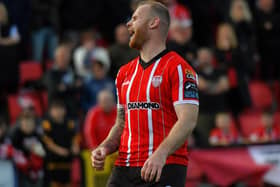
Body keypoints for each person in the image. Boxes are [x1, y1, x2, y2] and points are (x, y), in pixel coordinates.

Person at [91, 1, 199, 186]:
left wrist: (161, 154)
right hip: (124, 167)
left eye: (135, 18)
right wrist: (105, 146)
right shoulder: (123, 73)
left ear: (153, 23)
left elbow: (188, 120)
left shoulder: (179, 68)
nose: (128, 24)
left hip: (163, 166)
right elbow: (122, 123)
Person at [41, 99, 80, 187]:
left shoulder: (70, 123)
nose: (58, 111)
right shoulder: (47, 124)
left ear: (64, 110)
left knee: (67, 183)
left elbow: (75, 137)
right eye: (55, 109)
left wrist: (75, 146)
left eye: (60, 109)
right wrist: (59, 150)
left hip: (67, 161)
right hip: (52, 161)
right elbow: (46, 141)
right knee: (54, 183)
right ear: (51, 111)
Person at [43, 44, 82, 117]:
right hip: (57, 112)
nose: (64, 58)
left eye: (66, 56)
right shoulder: (50, 74)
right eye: (62, 56)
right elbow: (54, 90)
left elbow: (80, 87)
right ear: (56, 58)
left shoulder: (73, 72)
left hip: (72, 111)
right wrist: (73, 86)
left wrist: (65, 88)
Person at [80, 47, 115, 112]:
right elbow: (83, 102)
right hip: (95, 114)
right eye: (95, 70)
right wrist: (92, 110)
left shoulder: (111, 82)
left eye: (100, 69)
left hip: (112, 113)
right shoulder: (88, 84)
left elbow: (117, 100)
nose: (98, 71)